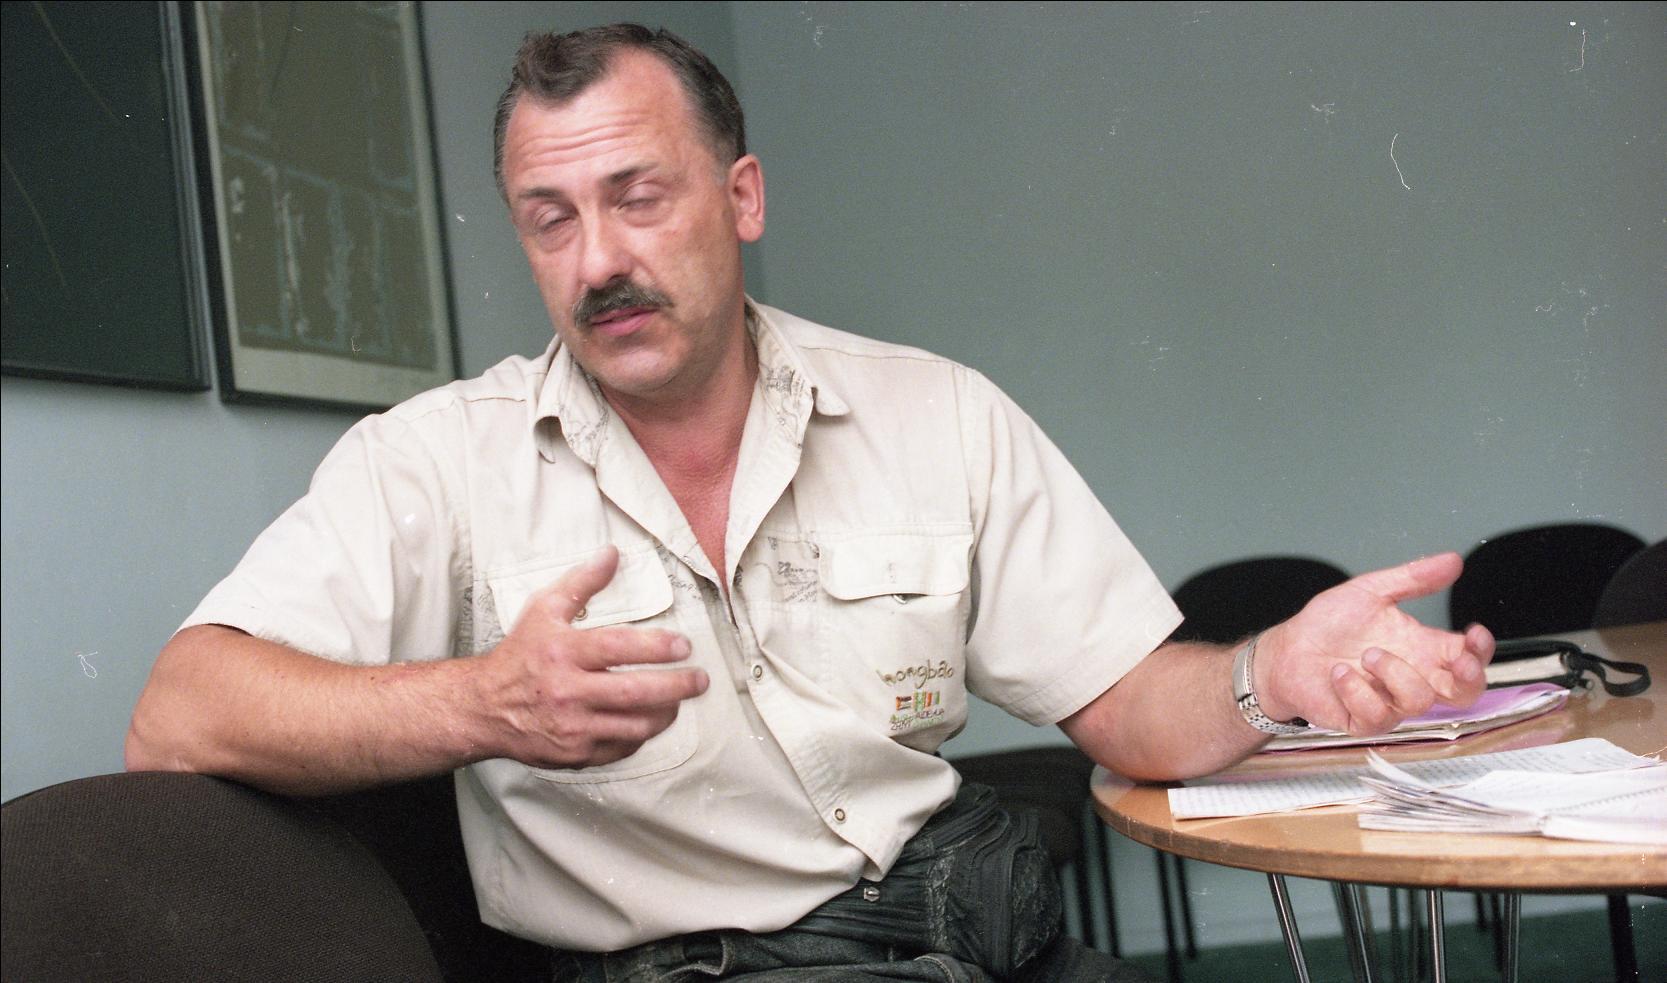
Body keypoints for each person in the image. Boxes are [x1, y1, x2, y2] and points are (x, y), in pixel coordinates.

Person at [126, 23, 1495, 982]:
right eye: (551, 218)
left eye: (636, 197)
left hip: (981, 936)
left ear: (743, 198)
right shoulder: (435, 461)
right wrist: (484, 705)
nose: (597, 261)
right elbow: (179, 715)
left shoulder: (935, 412)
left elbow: (1128, 701)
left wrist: (1272, 673)